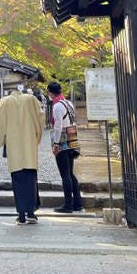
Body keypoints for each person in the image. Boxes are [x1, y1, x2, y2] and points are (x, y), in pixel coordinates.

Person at [0, 87, 44, 225]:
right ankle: (31, 213)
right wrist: (37, 136)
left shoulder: (5, 102)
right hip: (29, 144)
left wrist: (2, 137)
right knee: (31, 178)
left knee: (18, 180)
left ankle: (21, 215)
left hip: (14, 146)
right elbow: (41, 116)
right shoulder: (31, 99)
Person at [48, 81, 83, 213]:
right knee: (70, 173)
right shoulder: (69, 103)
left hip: (62, 140)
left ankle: (68, 204)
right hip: (72, 138)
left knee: (65, 174)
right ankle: (78, 203)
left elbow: (58, 126)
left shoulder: (57, 106)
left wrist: (56, 144)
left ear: (50, 93)